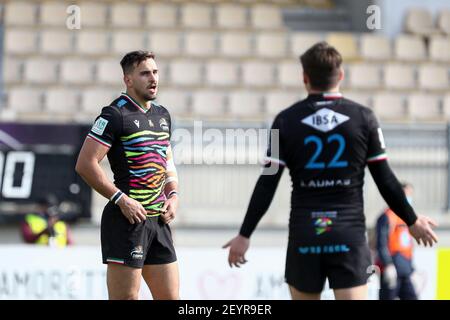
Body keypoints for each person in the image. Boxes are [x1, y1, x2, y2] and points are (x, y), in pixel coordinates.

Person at [223, 42, 438, 300]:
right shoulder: (363, 117)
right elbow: (385, 178)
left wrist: (245, 234)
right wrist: (412, 221)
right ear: (341, 75)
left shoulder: (285, 120)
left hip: (306, 234)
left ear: (305, 78)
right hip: (348, 235)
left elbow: (267, 183)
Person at [75, 50, 180, 300]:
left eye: (155, 72)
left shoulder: (162, 115)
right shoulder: (114, 115)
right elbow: (85, 164)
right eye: (145, 73)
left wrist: (173, 194)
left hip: (159, 222)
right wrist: (121, 200)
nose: (153, 78)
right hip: (127, 221)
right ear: (128, 79)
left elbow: (166, 160)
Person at [375, 182, 418, 300]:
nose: (409, 198)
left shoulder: (407, 218)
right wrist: (388, 265)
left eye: (410, 194)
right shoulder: (387, 216)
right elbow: (381, 243)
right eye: (406, 194)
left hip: (405, 271)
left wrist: (412, 269)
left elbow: (408, 245)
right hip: (392, 271)